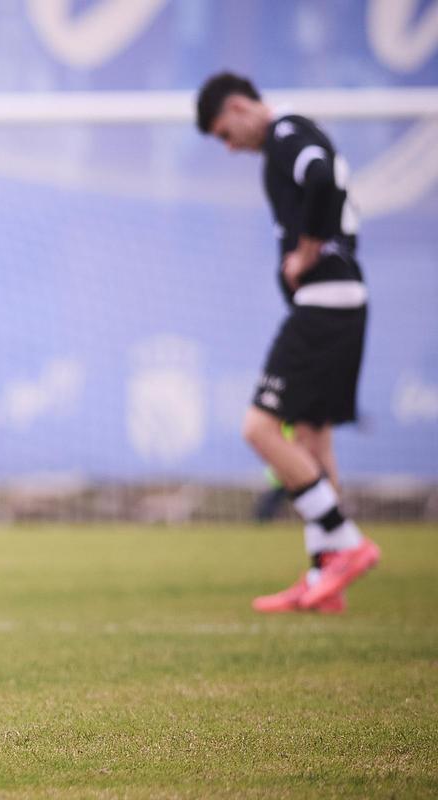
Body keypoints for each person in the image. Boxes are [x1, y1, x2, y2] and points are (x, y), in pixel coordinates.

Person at [196, 71, 380, 613]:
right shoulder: (290, 138)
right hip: (345, 301)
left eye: (224, 134)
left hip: (324, 303)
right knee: (311, 438)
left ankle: (345, 544)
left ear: (237, 107)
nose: (230, 147)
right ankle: (326, 580)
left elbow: (321, 178)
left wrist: (305, 251)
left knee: (259, 428)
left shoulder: (285, 134)